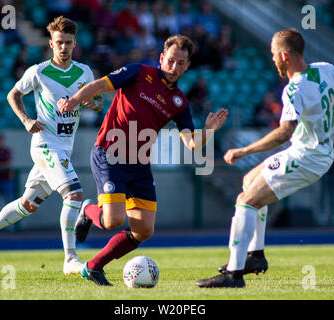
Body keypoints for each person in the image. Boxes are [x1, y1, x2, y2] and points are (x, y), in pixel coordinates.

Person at [196, 29, 334, 288]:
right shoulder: (325, 69)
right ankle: (256, 255)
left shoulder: (294, 88)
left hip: (306, 157)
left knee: (245, 200)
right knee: (249, 180)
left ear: (285, 55)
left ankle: (233, 274)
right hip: (316, 153)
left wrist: (244, 151)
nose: (273, 58)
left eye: (274, 54)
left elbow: (283, 133)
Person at [57, 34, 228, 286]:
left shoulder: (179, 101)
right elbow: (100, 86)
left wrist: (209, 131)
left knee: (144, 230)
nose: (174, 67)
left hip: (139, 165)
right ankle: (88, 210)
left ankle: (93, 267)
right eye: (170, 61)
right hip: (110, 154)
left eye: (181, 63)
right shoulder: (137, 72)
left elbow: (191, 143)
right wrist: (73, 100)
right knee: (113, 220)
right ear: (162, 58)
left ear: (188, 65)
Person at [0, 16, 103, 276]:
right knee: (74, 194)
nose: (63, 47)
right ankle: (70, 259)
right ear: (51, 45)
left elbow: (97, 102)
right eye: (58, 43)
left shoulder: (85, 72)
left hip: (64, 148)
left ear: (75, 44)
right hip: (44, 144)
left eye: (67, 42)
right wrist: (26, 120)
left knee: (27, 205)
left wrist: (92, 104)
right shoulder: (38, 71)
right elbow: (13, 94)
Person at [0, 133, 15, 227]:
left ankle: (12, 224)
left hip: (6, 180)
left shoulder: (7, 151)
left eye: (0, 140)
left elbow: (8, 164)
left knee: (10, 203)